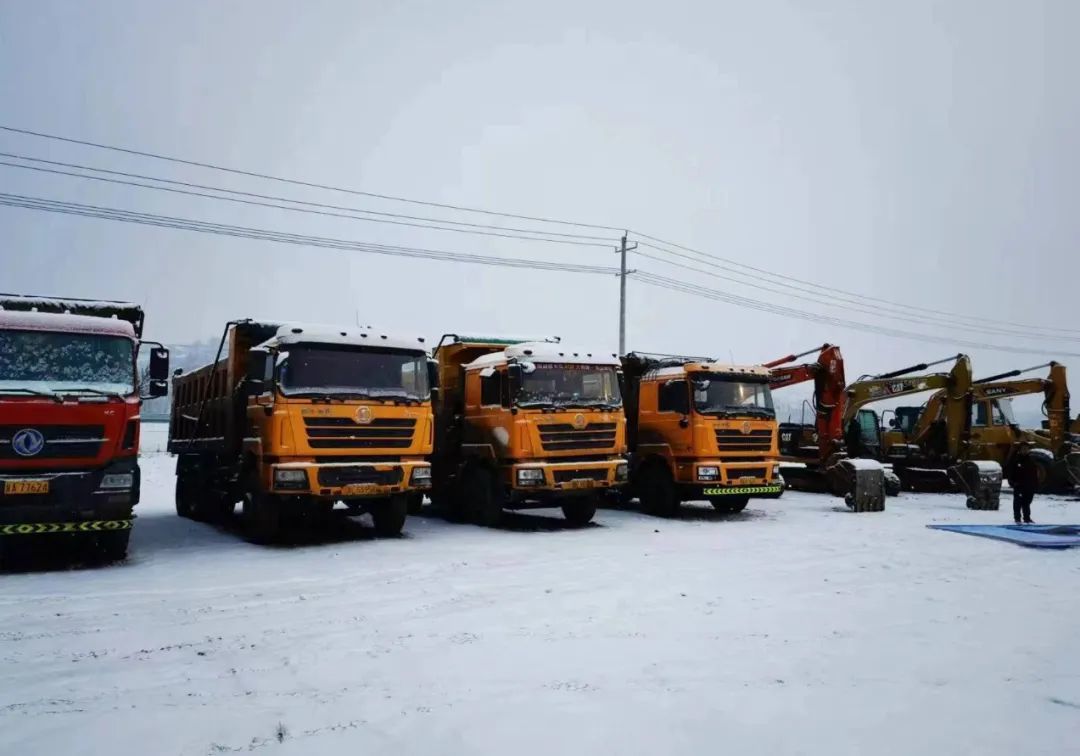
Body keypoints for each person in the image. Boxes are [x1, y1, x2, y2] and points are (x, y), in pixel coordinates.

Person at [1005, 442, 1039, 525]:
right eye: (1023, 449)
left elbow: (1034, 473)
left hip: (1029, 486)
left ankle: (1027, 518)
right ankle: (1017, 518)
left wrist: (1035, 484)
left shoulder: (1031, 460)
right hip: (1019, 485)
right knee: (1018, 502)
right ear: (1020, 450)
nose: (1025, 450)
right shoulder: (1015, 460)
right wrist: (1013, 482)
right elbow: (1010, 472)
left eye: (1027, 449)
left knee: (1027, 503)